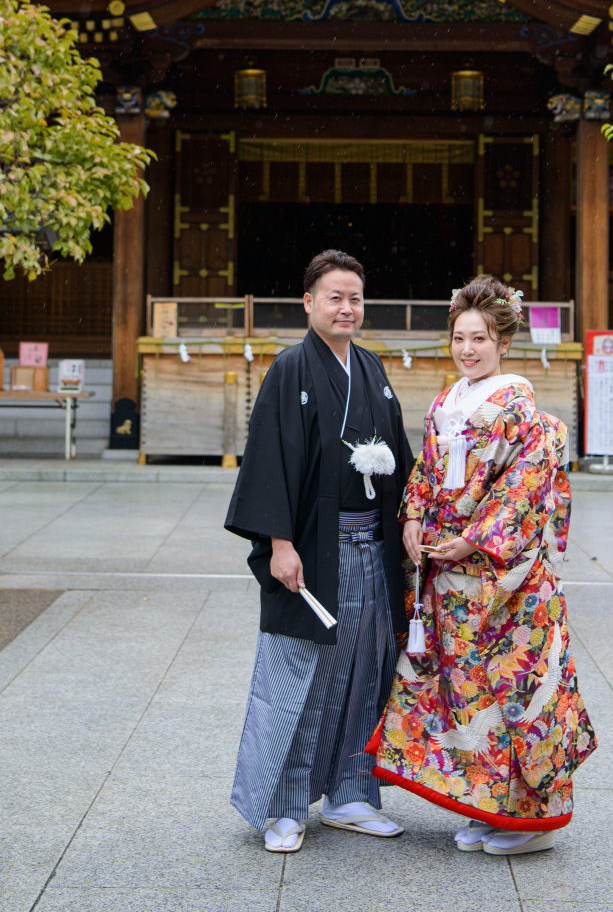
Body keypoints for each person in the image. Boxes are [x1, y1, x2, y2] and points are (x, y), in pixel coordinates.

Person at [367, 276, 597, 856]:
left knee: (513, 689)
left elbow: (523, 489)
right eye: (460, 338)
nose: (467, 350)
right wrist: (413, 515)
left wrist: (472, 541)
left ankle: (535, 820)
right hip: (449, 574)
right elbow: (425, 470)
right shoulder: (447, 402)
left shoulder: (520, 408)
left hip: (501, 577)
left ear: (503, 343)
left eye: (480, 339)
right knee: (467, 692)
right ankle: (487, 806)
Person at [225, 250, 415, 853]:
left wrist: (412, 523)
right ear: (308, 303)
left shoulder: (372, 367)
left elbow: (401, 456)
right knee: (302, 681)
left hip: (372, 552)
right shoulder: (291, 368)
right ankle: (285, 805)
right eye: (335, 297)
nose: (346, 308)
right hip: (312, 554)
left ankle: (351, 794)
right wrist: (278, 544)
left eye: (355, 298)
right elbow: (270, 460)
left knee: (366, 674)